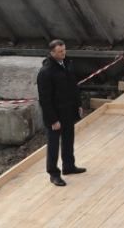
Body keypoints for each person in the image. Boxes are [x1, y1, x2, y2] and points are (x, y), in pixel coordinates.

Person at [37, 39, 85, 187]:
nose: (63, 54)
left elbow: (73, 87)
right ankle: (53, 173)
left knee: (68, 139)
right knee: (53, 145)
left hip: (68, 111)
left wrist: (78, 105)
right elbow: (45, 99)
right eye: (60, 52)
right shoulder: (46, 72)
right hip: (55, 115)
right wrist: (53, 120)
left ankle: (69, 166)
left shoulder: (67, 64)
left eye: (64, 50)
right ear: (52, 53)